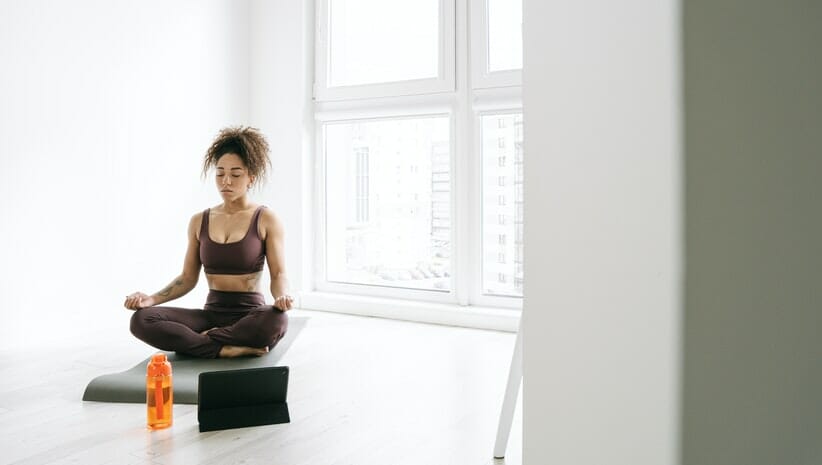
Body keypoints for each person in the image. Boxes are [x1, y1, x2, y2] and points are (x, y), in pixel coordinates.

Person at [125, 126, 293, 358]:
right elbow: (187, 278)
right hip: (210, 314)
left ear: (250, 178)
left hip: (250, 314)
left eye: (235, 175)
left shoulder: (266, 218)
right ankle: (226, 347)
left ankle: (202, 342)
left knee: (276, 320)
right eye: (220, 173)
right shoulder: (199, 221)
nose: (226, 181)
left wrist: (281, 297)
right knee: (142, 320)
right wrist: (150, 299)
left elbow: (279, 275)